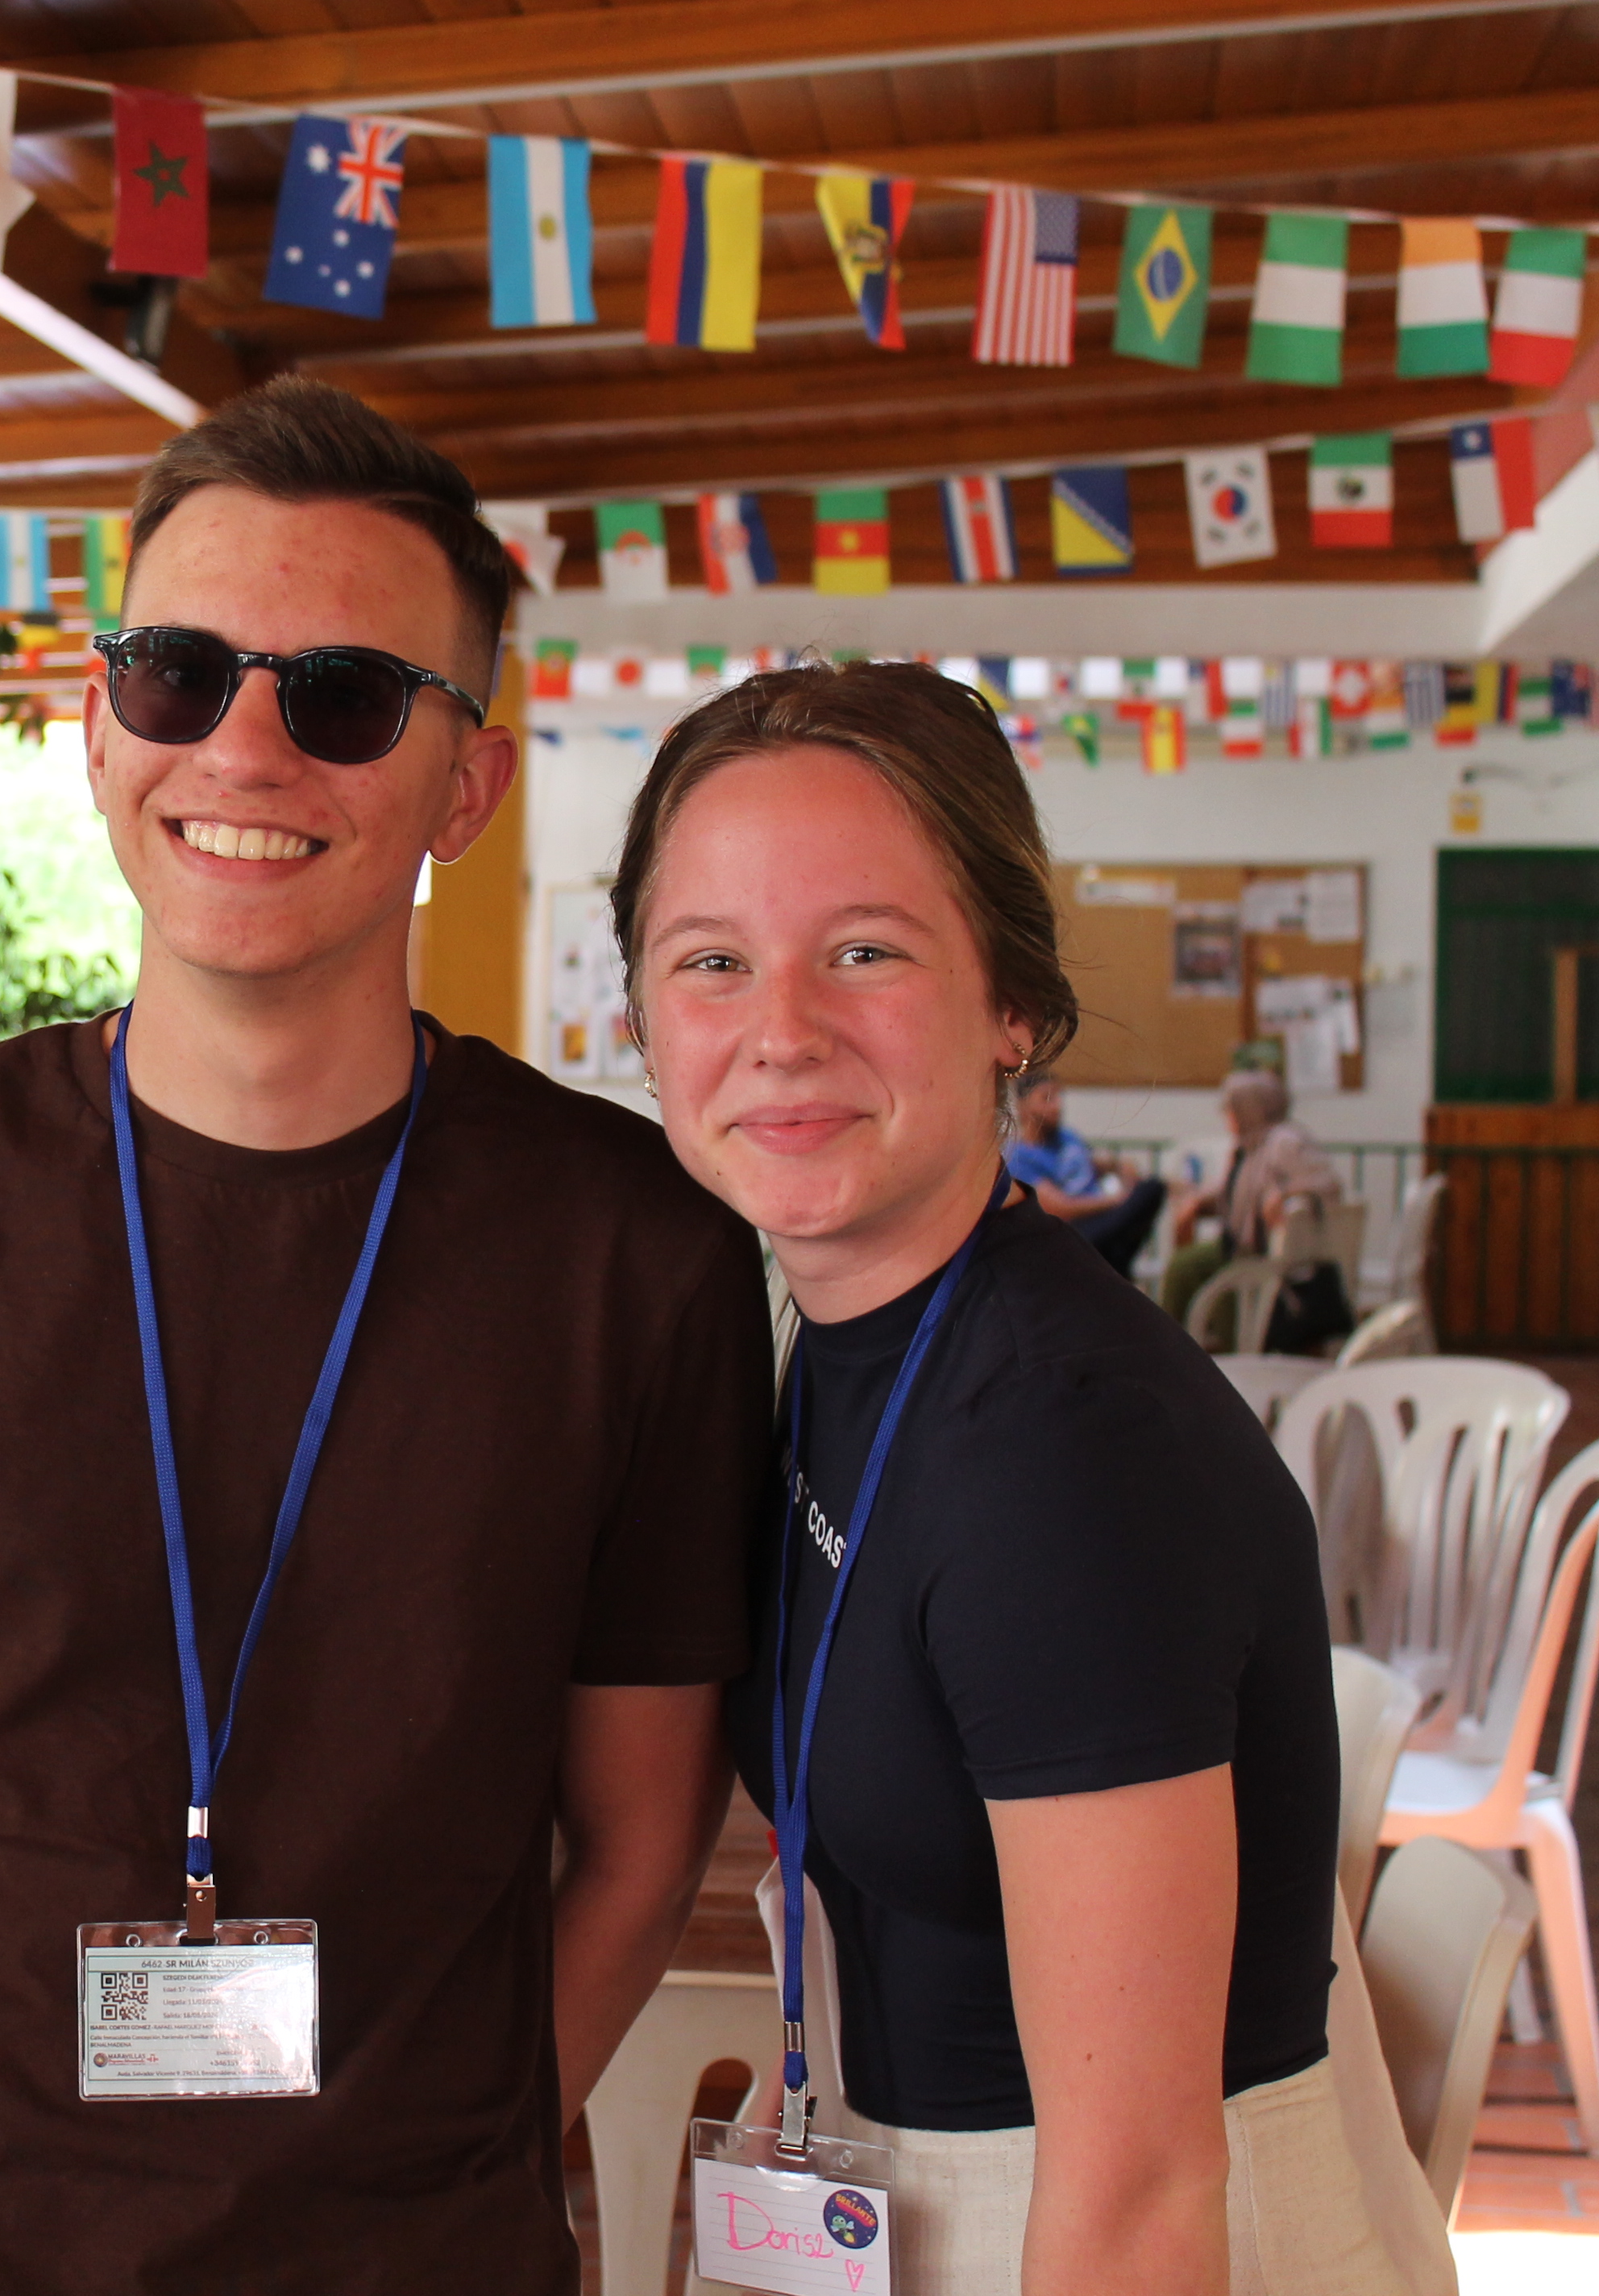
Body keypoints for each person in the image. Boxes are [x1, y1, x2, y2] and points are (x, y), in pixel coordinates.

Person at [0, 377, 768, 2293]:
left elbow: (640, 1841)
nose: (243, 743)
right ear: (98, 727)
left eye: (339, 695)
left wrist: (435, 2162)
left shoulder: (627, 1246)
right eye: (175, 671)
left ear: (464, 787)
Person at [617, 659, 1448, 2295]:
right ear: (643, 1012)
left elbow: (1140, 2182)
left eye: (865, 950)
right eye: (712, 960)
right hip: (942, 2179)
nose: (780, 1029)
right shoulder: (851, 1340)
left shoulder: (1065, 1451)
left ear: (1013, 1006)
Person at [1159, 1066, 1351, 1349]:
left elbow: (1326, 1182)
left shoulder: (1284, 1141)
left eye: (1232, 1109)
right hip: (1242, 1244)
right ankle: (1173, 1344)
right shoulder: (1250, 1146)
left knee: (1199, 1273)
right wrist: (1197, 1199)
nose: (1227, 1117)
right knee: (1184, 1266)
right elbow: (1232, 1192)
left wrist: (1286, 1194)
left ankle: (1229, 1346)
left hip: (1266, 1255)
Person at [1003, 1070, 1165, 1274]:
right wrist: (1119, 1201)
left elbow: (1094, 1166)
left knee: (1151, 1191)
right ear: (1024, 1106)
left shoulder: (1067, 1138)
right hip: (1071, 1228)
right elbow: (1059, 1207)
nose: (1057, 1106)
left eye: (1059, 1097)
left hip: (1101, 1217)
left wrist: (1121, 1167)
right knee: (1145, 1196)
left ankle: (1113, 1269)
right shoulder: (1019, 1156)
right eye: (1047, 1099)